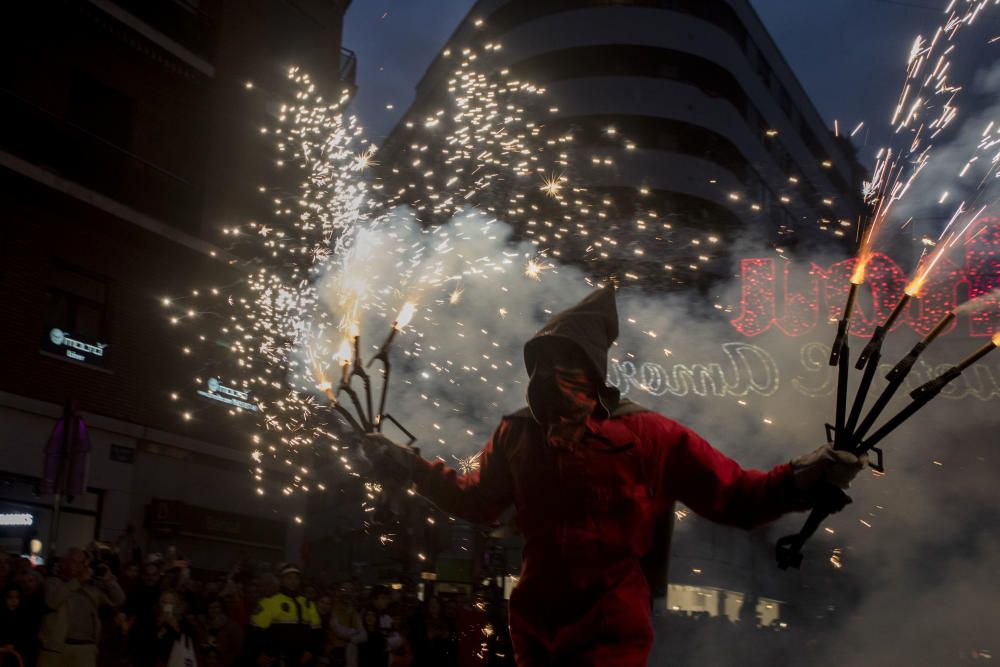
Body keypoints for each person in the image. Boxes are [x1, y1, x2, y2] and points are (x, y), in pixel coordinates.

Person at [365, 287, 867, 666]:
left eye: (564, 363)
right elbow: (476, 501)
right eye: (541, 363)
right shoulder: (517, 433)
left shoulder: (650, 435)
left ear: (591, 371)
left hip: (611, 633)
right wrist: (409, 465)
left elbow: (735, 496)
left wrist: (805, 476)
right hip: (535, 628)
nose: (548, 377)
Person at [38, 547, 126, 667]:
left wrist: (109, 580)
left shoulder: (92, 588)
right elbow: (52, 602)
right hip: (58, 648)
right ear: (64, 563)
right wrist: (77, 581)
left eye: (83, 562)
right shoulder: (53, 582)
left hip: (86, 649)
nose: (81, 566)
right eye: (75, 562)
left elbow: (119, 599)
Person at [249, 564, 321, 666]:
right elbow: (255, 632)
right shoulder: (269, 602)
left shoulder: (308, 603)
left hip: (302, 659)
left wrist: (310, 651)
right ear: (282, 580)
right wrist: (259, 654)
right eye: (289, 577)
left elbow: (316, 632)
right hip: (277, 658)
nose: (293, 581)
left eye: (296, 578)